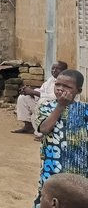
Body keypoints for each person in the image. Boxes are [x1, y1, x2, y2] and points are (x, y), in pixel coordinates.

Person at [34, 69, 88, 208]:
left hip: (80, 172)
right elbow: (45, 129)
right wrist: (60, 106)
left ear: (78, 90)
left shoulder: (85, 110)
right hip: (53, 170)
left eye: (67, 87)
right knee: (48, 201)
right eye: (57, 85)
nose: (60, 89)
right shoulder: (45, 107)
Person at [13, 61, 68, 136]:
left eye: (57, 69)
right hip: (43, 104)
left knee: (42, 101)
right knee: (23, 97)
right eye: (53, 68)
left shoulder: (66, 82)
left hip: (56, 109)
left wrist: (33, 92)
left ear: (64, 71)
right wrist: (30, 92)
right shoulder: (51, 79)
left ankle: (44, 133)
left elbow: (54, 97)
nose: (54, 70)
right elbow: (42, 90)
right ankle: (28, 126)